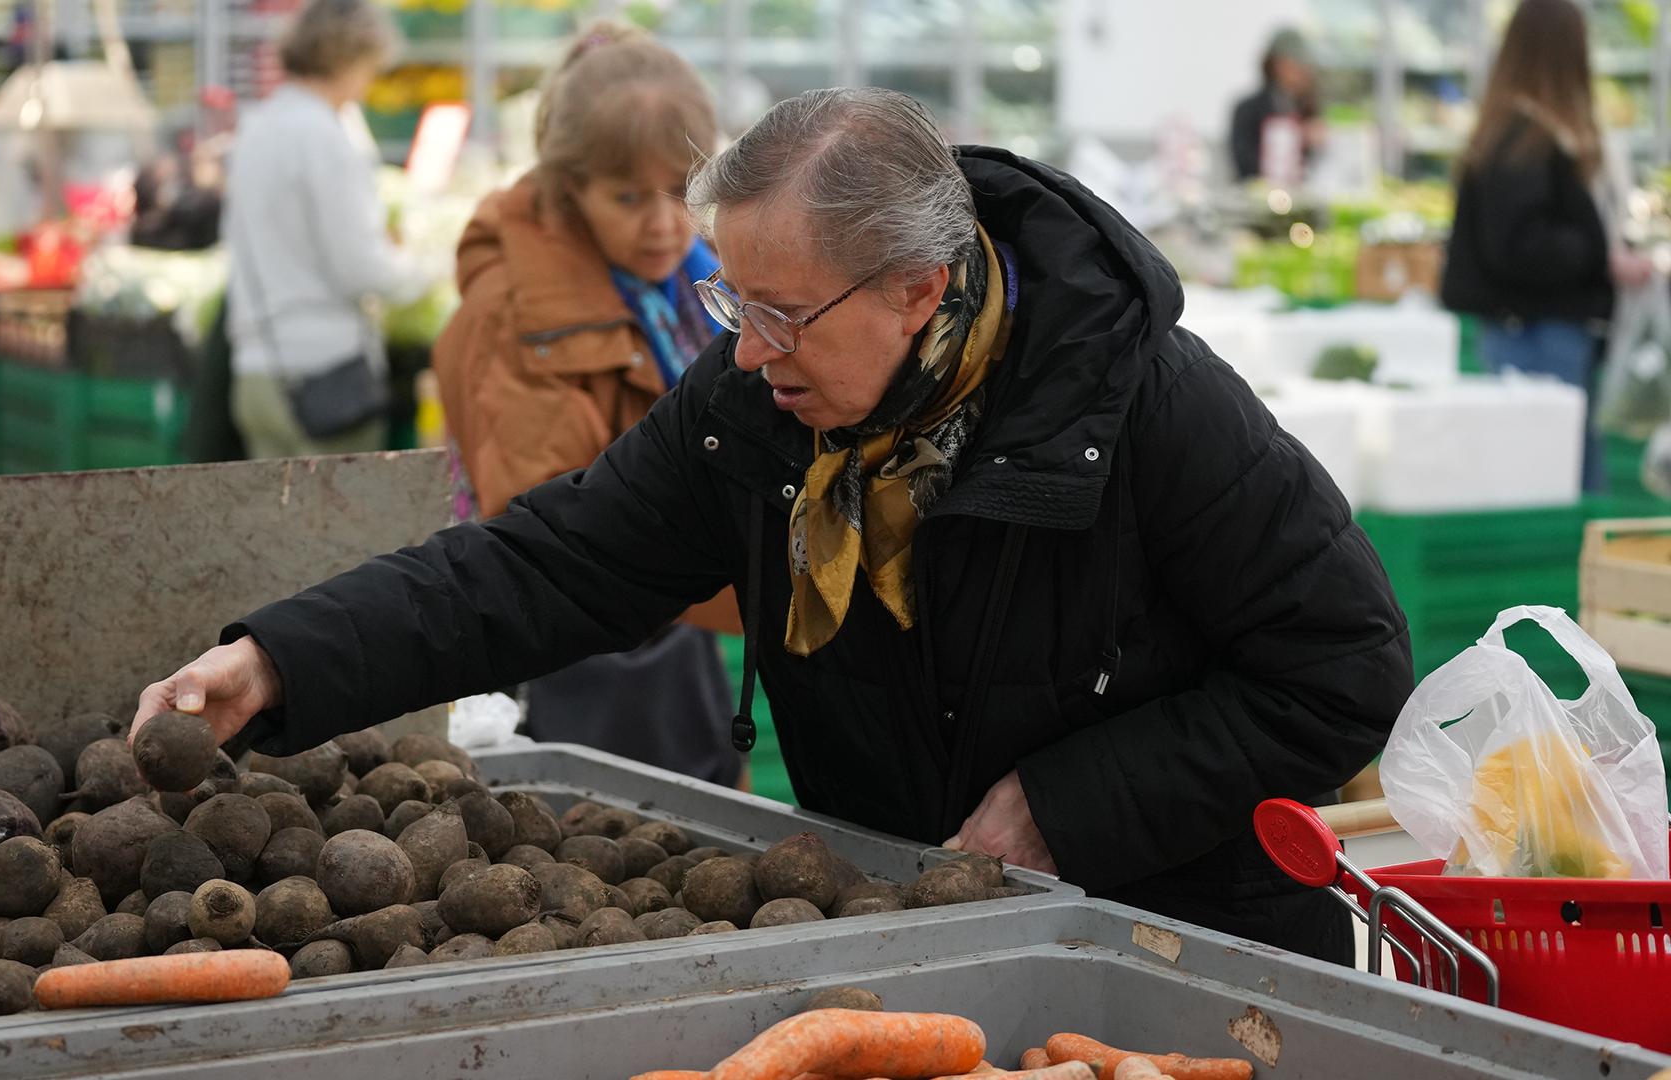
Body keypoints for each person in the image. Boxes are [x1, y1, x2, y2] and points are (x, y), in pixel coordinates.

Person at [135, 88, 1413, 963]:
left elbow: (1344, 667)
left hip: (1179, 952)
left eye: (784, 314)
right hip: (922, 938)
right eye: (729, 299)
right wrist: (283, 660)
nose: (748, 351)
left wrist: (1065, 807)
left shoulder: (1145, 403)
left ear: (919, 289)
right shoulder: (754, 407)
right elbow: (551, 563)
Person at [428, 23, 738, 787]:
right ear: (570, 189)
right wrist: (765, 588)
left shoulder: (695, 283)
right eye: (628, 197)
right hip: (560, 644)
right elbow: (551, 539)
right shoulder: (517, 318)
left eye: (683, 191)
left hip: (662, 626)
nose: (663, 223)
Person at [1441, 0, 1652, 494]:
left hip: (1532, 330)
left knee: (1548, 477)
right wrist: (1599, 257)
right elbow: (1520, 245)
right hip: (1540, 334)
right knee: (1555, 484)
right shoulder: (1527, 138)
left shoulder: (1515, 131)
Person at [221, 0, 433, 459]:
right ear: (349, 58)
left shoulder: (256, 127)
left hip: (256, 371)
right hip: (325, 374)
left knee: (273, 506)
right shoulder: (326, 137)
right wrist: (427, 270)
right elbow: (362, 269)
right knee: (344, 507)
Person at [1228, 27, 1321, 184]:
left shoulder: (1308, 110)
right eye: (1295, 65)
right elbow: (1245, 166)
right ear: (1276, 65)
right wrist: (1297, 138)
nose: (1302, 73)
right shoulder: (1248, 109)